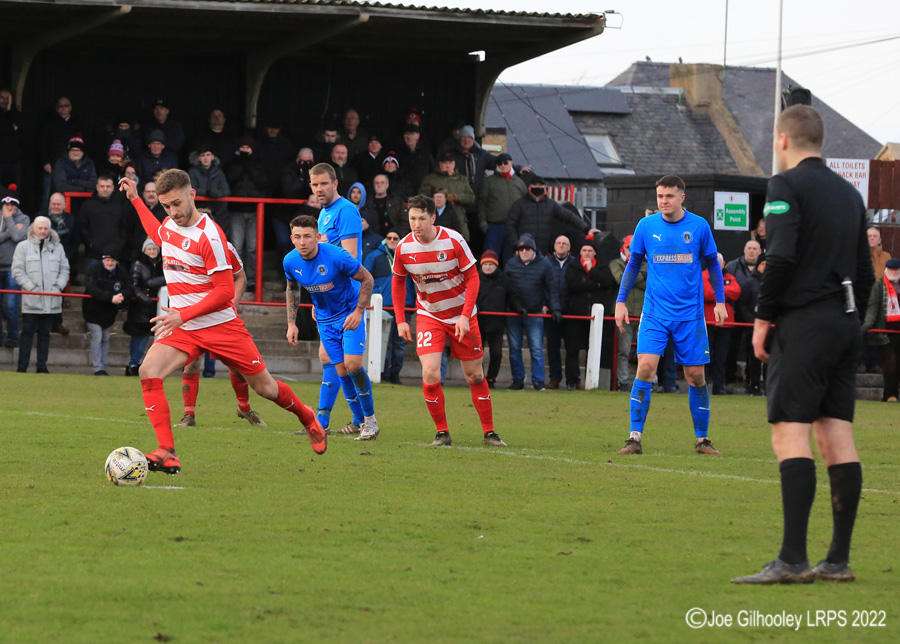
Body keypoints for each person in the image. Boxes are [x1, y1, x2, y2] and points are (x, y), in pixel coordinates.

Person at [732, 105, 875, 585]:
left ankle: (792, 559)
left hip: (805, 322)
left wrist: (762, 318)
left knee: (789, 433)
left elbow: (782, 255)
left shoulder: (785, 186)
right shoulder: (850, 194)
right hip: (844, 321)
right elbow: (866, 269)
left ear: (783, 140)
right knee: (836, 435)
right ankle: (837, 559)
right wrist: (851, 322)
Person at [119, 170, 326, 475]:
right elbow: (158, 232)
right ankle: (167, 452)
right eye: (166, 207)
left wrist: (182, 314)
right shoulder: (169, 224)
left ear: (192, 195)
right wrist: (136, 199)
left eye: (177, 203)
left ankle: (308, 417)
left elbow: (226, 291)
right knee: (149, 371)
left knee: (265, 388)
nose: (173, 212)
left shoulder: (210, 236)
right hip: (186, 328)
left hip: (219, 326)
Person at [614, 174, 726, 456]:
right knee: (645, 368)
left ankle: (702, 441)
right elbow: (632, 266)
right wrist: (621, 301)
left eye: (669, 196)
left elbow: (713, 264)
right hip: (655, 313)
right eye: (660, 196)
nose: (663, 201)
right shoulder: (646, 226)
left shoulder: (699, 226)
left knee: (695, 376)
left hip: (690, 315)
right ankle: (634, 438)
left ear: (681, 197)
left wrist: (721, 301)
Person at [392, 194, 506, 447]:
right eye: (412, 218)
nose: (416, 224)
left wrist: (465, 316)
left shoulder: (454, 240)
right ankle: (442, 433)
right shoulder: (404, 247)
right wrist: (401, 319)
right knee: (430, 372)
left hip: (462, 316)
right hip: (429, 315)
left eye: (422, 218)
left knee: (475, 376)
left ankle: (489, 432)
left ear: (433, 218)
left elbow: (474, 278)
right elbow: (398, 281)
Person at [285, 215, 379, 440]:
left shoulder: (337, 256)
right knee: (342, 371)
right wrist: (291, 323)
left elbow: (367, 279)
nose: (303, 241)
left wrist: (358, 311)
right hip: (325, 321)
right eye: (297, 237)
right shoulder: (290, 261)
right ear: (291, 239)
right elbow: (291, 289)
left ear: (318, 237)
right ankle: (359, 423)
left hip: (349, 315)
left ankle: (371, 421)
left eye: (308, 236)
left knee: (353, 365)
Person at [175, 239, 269, 428]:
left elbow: (240, 276)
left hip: (219, 317)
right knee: (191, 364)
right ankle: (188, 415)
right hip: (194, 314)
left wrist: (232, 304)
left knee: (236, 364)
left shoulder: (224, 247)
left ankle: (244, 408)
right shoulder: (182, 247)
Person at [307, 162, 367, 435]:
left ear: (334, 184)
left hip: (346, 300)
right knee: (328, 358)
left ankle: (358, 419)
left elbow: (349, 260)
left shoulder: (346, 212)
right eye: (314, 185)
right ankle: (326, 421)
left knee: (349, 364)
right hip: (329, 299)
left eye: (323, 184)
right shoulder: (323, 214)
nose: (319, 189)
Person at [11, 216, 69, 372]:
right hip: (32, 300)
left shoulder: (58, 247)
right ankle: (22, 367)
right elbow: (17, 270)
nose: (43, 231)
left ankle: (42, 367)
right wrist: (31, 287)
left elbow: (65, 270)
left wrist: (58, 287)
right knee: (27, 334)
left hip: (52, 300)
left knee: (45, 334)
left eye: (45, 228)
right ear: (33, 229)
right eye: (40, 228)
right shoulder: (22, 247)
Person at [504, 233, 561, 391]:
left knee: (536, 349)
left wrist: (555, 308)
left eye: (527, 249)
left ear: (533, 250)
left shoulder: (544, 265)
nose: (523, 251)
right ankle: (518, 380)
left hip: (535, 312)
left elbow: (552, 289)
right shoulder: (511, 264)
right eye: (521, 249)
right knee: (514, 349)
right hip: (514, 313)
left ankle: (538, 381)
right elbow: (505, 288)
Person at [565, 237, 618, 390]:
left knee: (593, 349)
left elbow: (608, 283)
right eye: (584, 250)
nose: (587, 253)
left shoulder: (602, 267)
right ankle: (572, 381)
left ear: (595, 253)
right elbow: (573, 286)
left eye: (589, 250)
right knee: (572, 349)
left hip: (596, 318)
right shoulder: (573, 267)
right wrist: (596, 284)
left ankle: (591, 381)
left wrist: (591, 271)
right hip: (576, 314)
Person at [364, 229, 411, 385]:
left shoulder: (408, 257)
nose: (392, 240)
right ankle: (382, 372)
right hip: (382, 305)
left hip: (405, 305)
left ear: (399, 240)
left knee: (400, 343)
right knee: (383, 341)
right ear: (385, 239)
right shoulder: (374, 256)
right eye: (389, 237)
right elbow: (365, 279)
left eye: (395, 238)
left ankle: (395, 373)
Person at [506, 175, 589, 256]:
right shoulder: (519, 204)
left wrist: (587, 229)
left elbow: (569, 216)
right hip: (525, 250)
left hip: (542, 251)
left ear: (544, 186)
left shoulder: (551, 204)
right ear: (530, 187)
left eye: (540, 185)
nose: (537, 187)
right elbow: (510, 225)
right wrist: (516, 245)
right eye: (535, 185)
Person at [224, 135, 268, 288]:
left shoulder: (259, 163)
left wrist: (248, 165)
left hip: (255, 211)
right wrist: (242, 164)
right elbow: (229, 180)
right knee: (235, 246)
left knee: (252, 248)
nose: (245, 150)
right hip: (236, 210)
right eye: (242, 148)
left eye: (247, 148)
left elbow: (263, 182)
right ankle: (235, 278)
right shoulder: (232, 163)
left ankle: (250, 280)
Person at [476, 249, 522, 389]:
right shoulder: (475, 278)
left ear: (496, 265)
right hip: (478, 323)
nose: (488, 267)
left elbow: (513, 297)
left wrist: (519, 309)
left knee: (496, 354)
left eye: (491, 264)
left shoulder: (504, 279)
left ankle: (490, 379)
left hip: (497, 323)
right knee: (477, 355)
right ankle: (479, 379)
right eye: (485, 264)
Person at [83, 253, 133, 376]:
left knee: (106, 338)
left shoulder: (121, 273)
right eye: (107, 260)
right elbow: (91, 288)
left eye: (112, 260)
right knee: (97, 337)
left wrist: (122, 296)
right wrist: (110, 297)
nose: (110, 263)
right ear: (102, 260)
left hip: (110, 312)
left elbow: (129, 289)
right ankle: (98, 368)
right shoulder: (94, 270)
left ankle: (103, 366)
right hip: (92, 310)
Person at [725, 239, 763, 394]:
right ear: (744, 250)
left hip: (754, 318)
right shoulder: (732, 266)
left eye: (755, 248)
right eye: (749, 248)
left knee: (753, 350)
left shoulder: (764, 269)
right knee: (731, 347)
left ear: (759, 252)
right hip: (734, 314)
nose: (752, 251)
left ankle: (751, 381)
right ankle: (729, 379)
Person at [123, 238, 165, 376]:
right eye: (149, 249)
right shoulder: (138, 264)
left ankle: (148, 366)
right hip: (141, 306)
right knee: (140, 336)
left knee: (154, 338)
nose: (152, 251)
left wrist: (151, 283)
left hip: (157, 305)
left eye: (154, 249)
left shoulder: (162, 264)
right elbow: (134, 285)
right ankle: (133, 364)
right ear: (144, 250)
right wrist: (145, 299)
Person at [610, 235, 646, 391]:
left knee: (647, 351)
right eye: (628, 248)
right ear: (622, 249)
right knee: (623, 350)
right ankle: (622, 381)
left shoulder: (647, 264)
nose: (632, 251)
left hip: (644, 313)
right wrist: (639, 277)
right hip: (625, 313)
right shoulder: (615, 263)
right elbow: (620, 279)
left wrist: (630, 278)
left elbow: (649, 282)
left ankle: (649, 381)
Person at [704, 253, 741, 395]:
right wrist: (724, 292)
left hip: (725, 323)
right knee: (707, 355)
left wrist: (718, 291)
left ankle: (719, 386)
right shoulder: (703, 275)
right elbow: (706, 293)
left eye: (718, 262)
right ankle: (704, 385)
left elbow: (737, 292)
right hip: (708, 321)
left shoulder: (729, 277)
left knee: (721, 357)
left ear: (723, 263)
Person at [478, 152, 526, 260]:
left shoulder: (519, 183)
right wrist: (482, 221)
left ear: (511, 163)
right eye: (499, 163)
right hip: (494, 226)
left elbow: (525, 205)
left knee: (511, 259)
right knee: (490, 258)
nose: (503, 165)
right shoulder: (489, 182)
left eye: (505, 163)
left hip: (514, 227)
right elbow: (482, 202)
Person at [864, 257, 900, 402]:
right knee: (890, 363)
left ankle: (890, 394)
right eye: (890, 269)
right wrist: (867, 324)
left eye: (896, 269)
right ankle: (891, 395)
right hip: (884, 333)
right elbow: (873, 306)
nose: (893, 272)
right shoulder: (879, 285)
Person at [545, 235, 577, 389]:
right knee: (552, 347)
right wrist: (546, 304)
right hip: (552, 312)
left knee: (572, 347)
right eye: (559, 243)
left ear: (569, 247)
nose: (561, 246)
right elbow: (542, 285)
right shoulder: (546, 263)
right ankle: (555, 378)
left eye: (565, 243)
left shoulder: (575, 263)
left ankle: (573, 380)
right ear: (554, 245)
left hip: (570, 310)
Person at [419, 154, 474, 242]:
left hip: (459, 219)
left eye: (450, 163)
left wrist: (455, 197)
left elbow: (471, 198)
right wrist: (438, 199)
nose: (448, 165)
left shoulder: (462, 179)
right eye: (445, 163)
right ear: (440, 164)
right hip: (436, 220)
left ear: (454, 164)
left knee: (460, 246)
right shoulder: (430, 179)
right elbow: (422, 198)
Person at [1, 185, 29, 348]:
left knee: (11, 305)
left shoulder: (24, 219)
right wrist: (9, 232)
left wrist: (9, 220)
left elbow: (18, 236)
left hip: (13, 268)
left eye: (12, 205)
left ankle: (12, 336)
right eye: (6, 205)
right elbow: (13, 234)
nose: (9, 208)